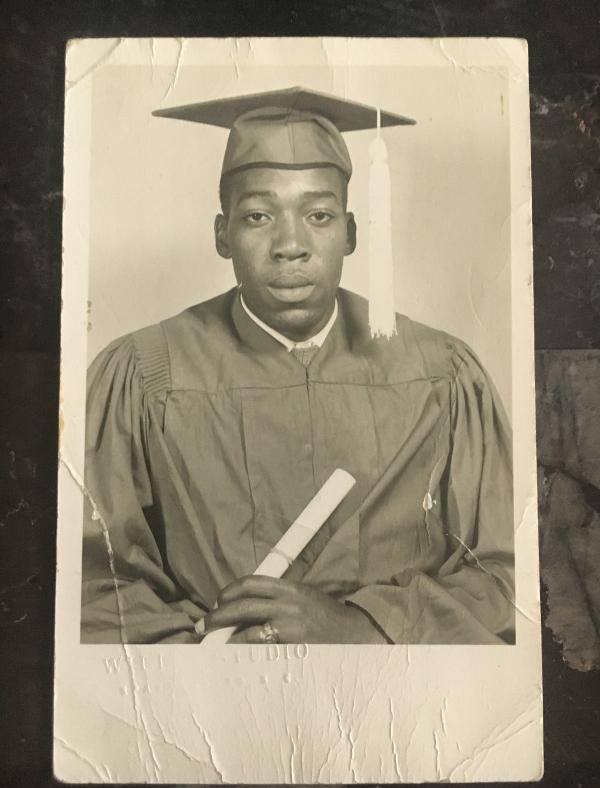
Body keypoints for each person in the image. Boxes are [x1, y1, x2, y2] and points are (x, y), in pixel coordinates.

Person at [81, 88, 515, 645]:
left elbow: (503, 576)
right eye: (259, 216)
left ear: (351, 232)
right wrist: (201, 656)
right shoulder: (142, 374)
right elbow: (92, 583)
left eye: (318, 215)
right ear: (222, 235)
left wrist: (360, 626)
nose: (291, 245)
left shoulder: (443, 374)